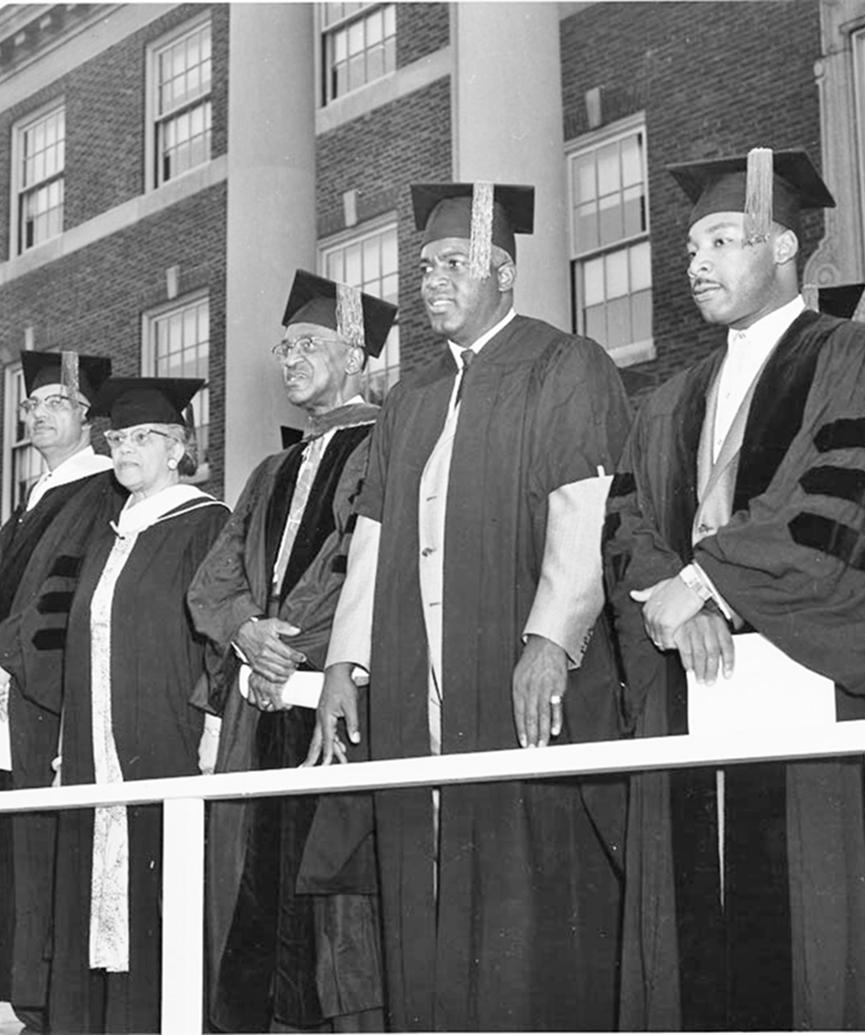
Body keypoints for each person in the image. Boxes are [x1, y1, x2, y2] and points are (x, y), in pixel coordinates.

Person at [603, 148, 865, 1030]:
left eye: (719, 239)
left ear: (783, 244)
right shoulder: (672, 396)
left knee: (797, 916)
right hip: (689, 675)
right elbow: (627, 523)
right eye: (689, 247)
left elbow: (842, 496)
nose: (694, 262)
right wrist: (675, 603)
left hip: (801, 668)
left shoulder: (855, 355)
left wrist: (709, 582)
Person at [311, 181, 630, 1030]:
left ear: (503, 272)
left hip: (514, 662)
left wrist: (551, 640)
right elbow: (373, 537)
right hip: (417, 672)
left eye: (453, 263)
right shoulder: (412, 397)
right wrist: (348, 661)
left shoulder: (564, 364)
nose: (431, 282)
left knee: (519, 870)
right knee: (423, 864)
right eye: (424, 268)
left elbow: (584, 513)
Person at [187, 270, 395, 1032]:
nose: (290, 357)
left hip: (335, 699)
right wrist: (246, 629)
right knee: (252, 885)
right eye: (284, 346)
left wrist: (285, 641)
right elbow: (212, 581)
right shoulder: (270, 470)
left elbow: (362, 566)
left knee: (331, 902)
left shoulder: (387, 443)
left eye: (310, 342)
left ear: (359, 357)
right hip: (261, 704)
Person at [46, 377, 228, 1033]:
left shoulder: (207, 524)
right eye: (118, 438)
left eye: (143, 437)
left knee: (161, 898)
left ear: (178, 448)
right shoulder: (107, 536)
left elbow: (220, 640)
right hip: (96, 749)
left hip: (167, 739)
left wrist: (212, 733)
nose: (125, 448)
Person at [0, 349, 123, 1033]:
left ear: (87, 414)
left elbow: (69, 602)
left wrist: (4, 660)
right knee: (13, 860)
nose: (39, 414)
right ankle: (29, 1008)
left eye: (56, 401)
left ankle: (56, 1011)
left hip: (46, 708)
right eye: (31, 404)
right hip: (1, 700)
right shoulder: (30, 498)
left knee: (50, 860)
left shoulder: (104, 487)